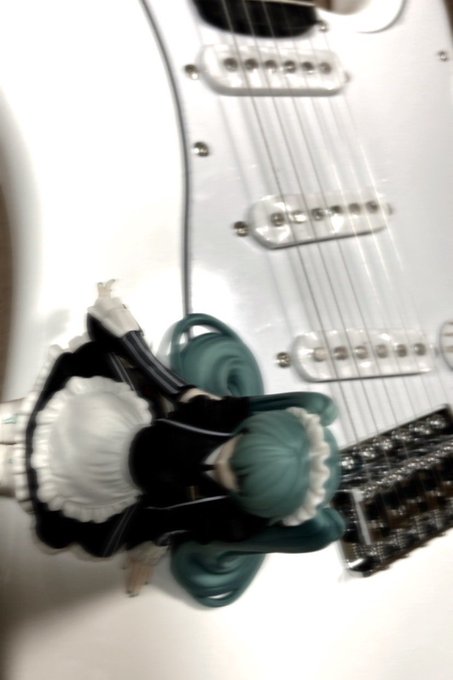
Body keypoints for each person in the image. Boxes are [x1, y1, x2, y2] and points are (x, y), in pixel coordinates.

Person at [0, 282, 345, 605]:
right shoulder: (216, 418)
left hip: (104, 485)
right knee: (23, 415)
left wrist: (148, 552)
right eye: (238, 448)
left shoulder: (219, 512)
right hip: (108, 421)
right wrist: (125, 331)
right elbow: (168, 382)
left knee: (15, 477)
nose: (221, 466)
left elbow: (168, 521)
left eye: (238, 479)